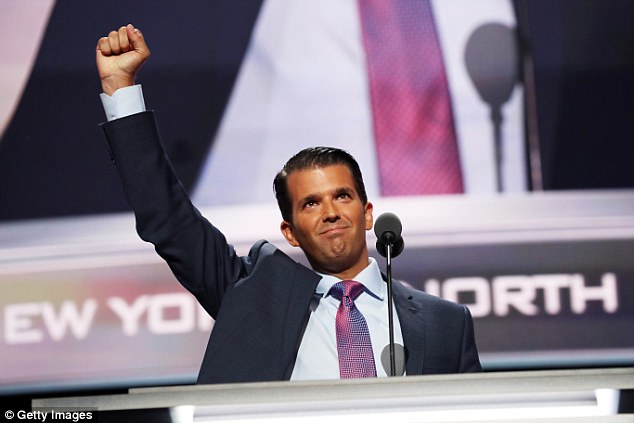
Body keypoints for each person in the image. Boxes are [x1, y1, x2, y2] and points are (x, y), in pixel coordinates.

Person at [96, 24, 481, 384]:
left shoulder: (445, 322)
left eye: (342, 196)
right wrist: (120, 87)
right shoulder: (252, 297)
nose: (330, 211)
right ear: (290, 232)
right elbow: (170, 220)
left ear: (367, 214)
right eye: (310, 204)